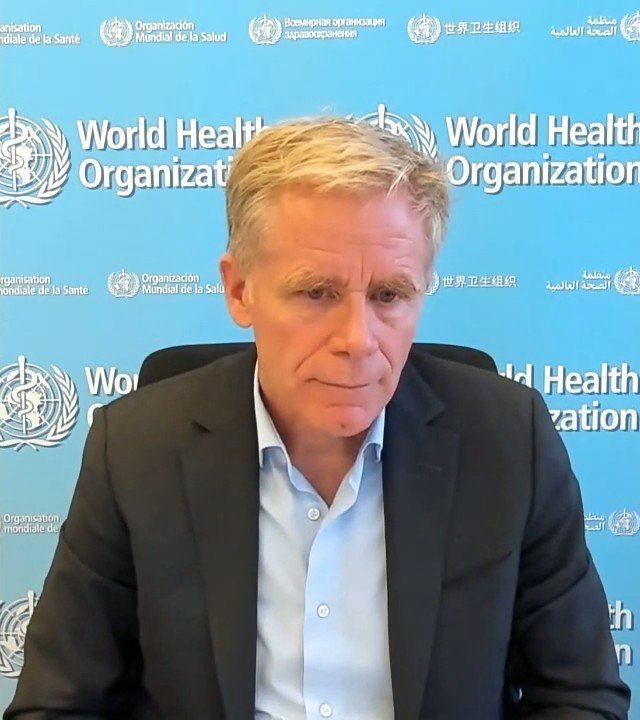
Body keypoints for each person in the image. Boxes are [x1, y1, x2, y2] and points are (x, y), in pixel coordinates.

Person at [5, 117, 630, 719]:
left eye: (389, 295)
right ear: (239, 290)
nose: (358, 340)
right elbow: (59, 705)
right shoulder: (136, 449)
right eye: (316, 292)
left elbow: (579, 696)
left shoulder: (508, 441)